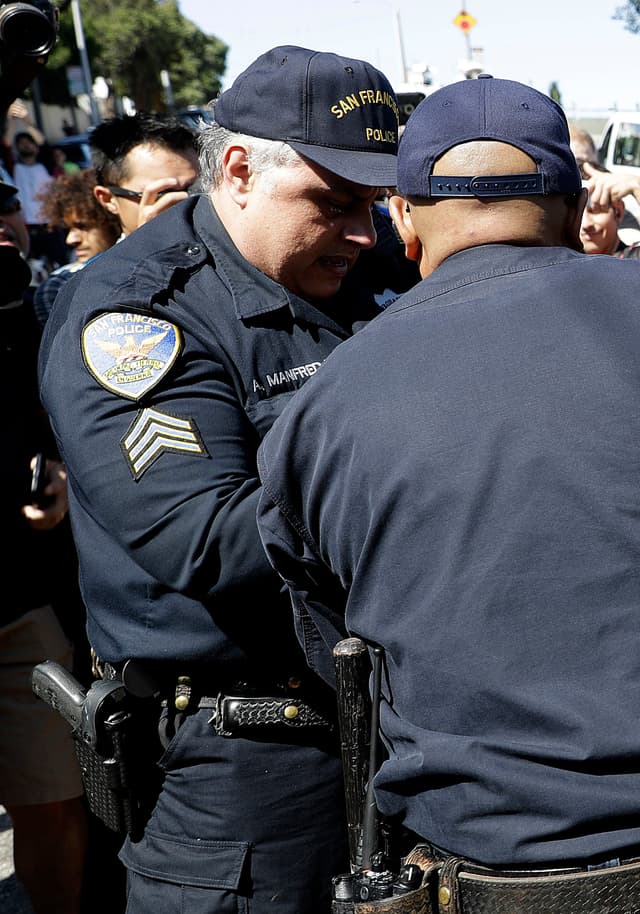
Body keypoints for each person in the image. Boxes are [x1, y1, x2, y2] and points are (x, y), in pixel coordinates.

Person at [256, 75, 640, 913]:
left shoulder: (326, 404)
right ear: (572, 199)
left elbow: (340, 648)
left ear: (403, 220)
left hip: (499, 873)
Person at [37, 46, 399, 912]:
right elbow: (212, 538)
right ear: (237, 169)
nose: (362, 231)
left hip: (383, 730)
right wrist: (433, 482)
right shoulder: (138, 316)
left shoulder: (354, 264)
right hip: (243, 772)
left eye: (375, 205)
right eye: (336, 203)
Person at [0, 179, 86, 914]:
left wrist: (58, 472)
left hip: (24, 606)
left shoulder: (38, 315)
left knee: (57, 801)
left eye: (2, 206)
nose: (2, 226)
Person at [33, 169, 121, 324]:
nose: (71, 239)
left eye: (83, 226)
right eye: (69, 228)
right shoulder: (59, 285)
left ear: (112, 221)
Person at [88, 113, 198, 237]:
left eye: (195, 189)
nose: (186, 203)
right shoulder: (114, 257)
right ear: (108, 199)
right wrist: (149, 243)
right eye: (163, 193)